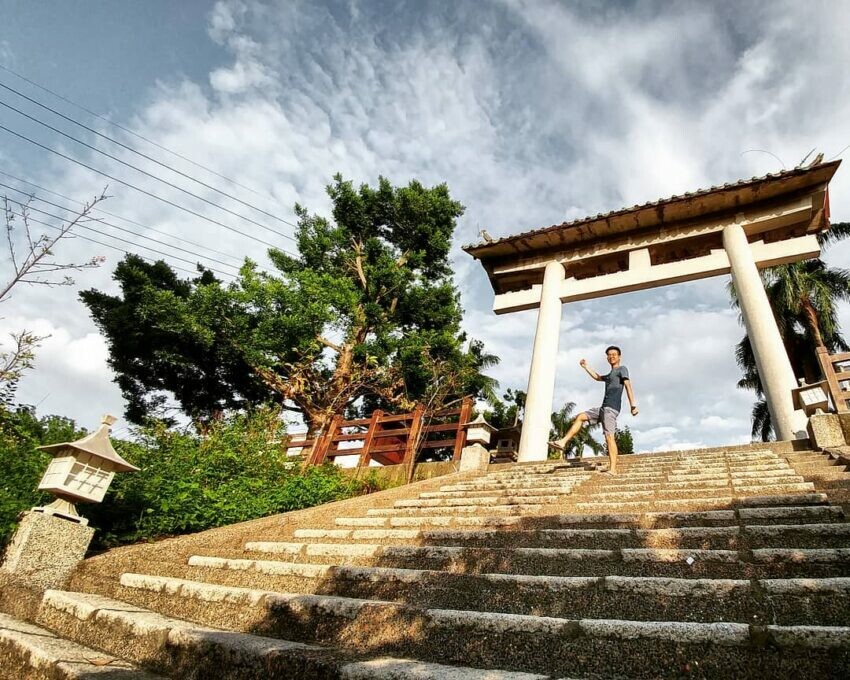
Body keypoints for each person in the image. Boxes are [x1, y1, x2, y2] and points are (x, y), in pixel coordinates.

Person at [549, 345, 638, 474]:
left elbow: (628, 386)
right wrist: (586, 367)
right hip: (602, 408)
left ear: (619, 357)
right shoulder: (610, 374)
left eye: (614, 354)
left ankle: (613, 469)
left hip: (611, 409)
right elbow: (597, 377)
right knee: (580, 417)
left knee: (609, 437)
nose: (611, 356)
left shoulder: (622, 369)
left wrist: (633, 405)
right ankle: (562, 442)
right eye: (609, 355)